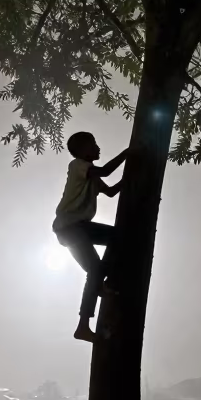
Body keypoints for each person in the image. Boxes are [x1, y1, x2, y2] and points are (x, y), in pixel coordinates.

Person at [52, 131, 129, 342]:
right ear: (81, 151)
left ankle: (99, 285)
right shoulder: (77, 165)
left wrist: (132, 176)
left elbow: (112, 191)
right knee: (95, 268)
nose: (97, 147)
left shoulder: (92, 177)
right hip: (68, 228)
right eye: (92, 144)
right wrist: (128, 153)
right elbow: (105, 171)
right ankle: (83, 326)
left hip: (80, 227)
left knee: (116, 237)